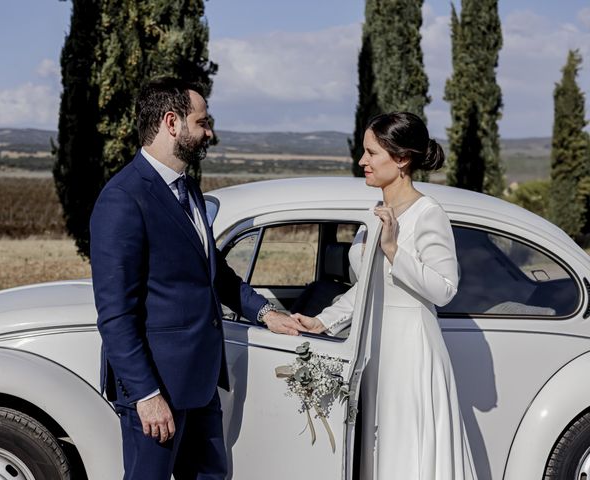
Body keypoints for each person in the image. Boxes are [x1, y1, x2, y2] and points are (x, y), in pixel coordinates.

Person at [89, 78, 304, 480]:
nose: (210, 133)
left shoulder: (187, 187)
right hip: (156, 390)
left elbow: (213, 274)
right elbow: (116, 314)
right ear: (172, 123)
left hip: (201, 383)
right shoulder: (123, 198)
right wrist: (147, 395)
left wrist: (266, 314)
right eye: (203, 123)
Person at [292, 112, 477, 479]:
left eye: (371, 153)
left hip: (411, 350)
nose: (362, 161)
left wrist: (394, 250)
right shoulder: (374, 212)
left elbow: (445, 289)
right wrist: (322, 320)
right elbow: (366, 288)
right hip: (375, 349)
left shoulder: (429, 213)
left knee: (407, 451)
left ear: (402, 158)